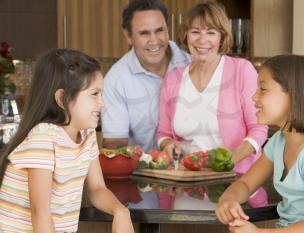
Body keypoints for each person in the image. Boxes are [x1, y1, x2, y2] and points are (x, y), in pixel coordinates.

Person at [0, 49, 134, 233]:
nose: (102, 103)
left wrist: (120, 212)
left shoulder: (87, 134)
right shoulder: (43, 138)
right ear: (62, 99)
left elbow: (97, 189)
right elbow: (41, 214)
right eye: (94, 94)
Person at [216, 54, 304, 233]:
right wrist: (229, 199)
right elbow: (246, 184)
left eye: (262, 89)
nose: (254, 97)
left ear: (294, 96)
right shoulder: (279, 141)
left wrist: (257, 232)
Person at [157, 2, 268, 175]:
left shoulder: (242, 70)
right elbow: (163, 133)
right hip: (187, 180)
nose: (202, 40)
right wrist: (167, 144)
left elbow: (259, 129)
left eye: (211, 32)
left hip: (236, 181)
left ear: (221, 37)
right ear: (186, 35)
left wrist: (230, 160)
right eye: (195, 32)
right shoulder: (173, 78)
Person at [101, 0, 191, 152]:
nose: (154, 40)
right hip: (143, 171)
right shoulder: (116, 80)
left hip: (197, 168)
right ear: (128, 36)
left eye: (159, 30)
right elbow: (114, 144)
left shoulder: (191, 64)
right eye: (144, 33)